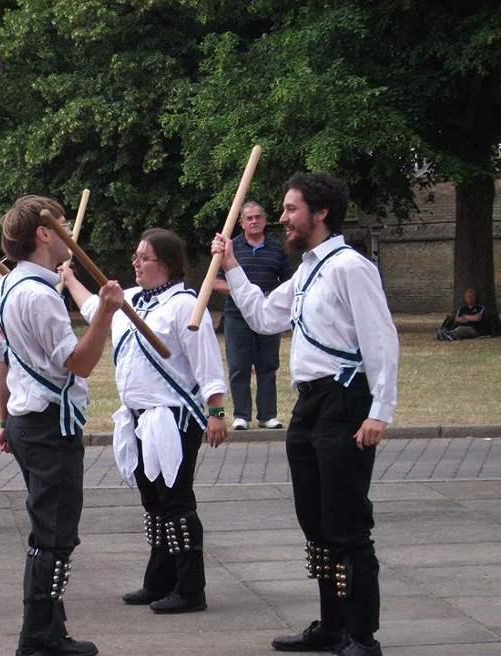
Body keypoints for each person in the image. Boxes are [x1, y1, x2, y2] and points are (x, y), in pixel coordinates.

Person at [212, 173, 398, 656]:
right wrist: (231, 264)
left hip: (345, 400)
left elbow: (381, 339)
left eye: (291, 209)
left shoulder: (350, 267)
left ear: (320, 213)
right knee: (315, 521)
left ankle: (362, 636)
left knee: (346, 523)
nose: (282, 218)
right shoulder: (308, 270)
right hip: (310, 406)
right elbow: (265, 316)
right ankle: (332, 626)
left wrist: (380, 411)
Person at [62, 228, 228, 615]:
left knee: (176, 501)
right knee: (152, 502)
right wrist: (70, 279)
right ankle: (159, 580)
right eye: (136, 257)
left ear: (166, 264)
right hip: (137, 417)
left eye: (144, 258)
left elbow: (207, 363)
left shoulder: (186, 305)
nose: (135, 263)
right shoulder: (131, 301)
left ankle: (191, 588)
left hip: (173, 416)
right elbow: (93, 308)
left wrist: (216, 412)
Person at [0, 195, 124, 656]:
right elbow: (79, 364)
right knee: (52, 534)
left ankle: (52, 627)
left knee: (51, 529)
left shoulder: (8, 287)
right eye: (62, 225)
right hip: (49, 428)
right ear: (43, 234)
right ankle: (37, 638)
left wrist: (4, 418)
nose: (70, 232)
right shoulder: (37, 295)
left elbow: (2, 362)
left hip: (29, 422)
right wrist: (105, 311)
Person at [214, 201, 293, 430]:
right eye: (249, 218)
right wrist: (244, 292)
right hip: (237, 317)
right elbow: (216, 281)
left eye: (258, 217)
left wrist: (270, 299)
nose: (254, 221)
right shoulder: (230, 248)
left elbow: (289, 281)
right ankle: (241, 416)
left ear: (265, 221)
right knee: (239, 366)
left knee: (267, 366)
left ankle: (268, 415)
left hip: (268, 315)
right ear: (241, 223)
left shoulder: (276, 248)